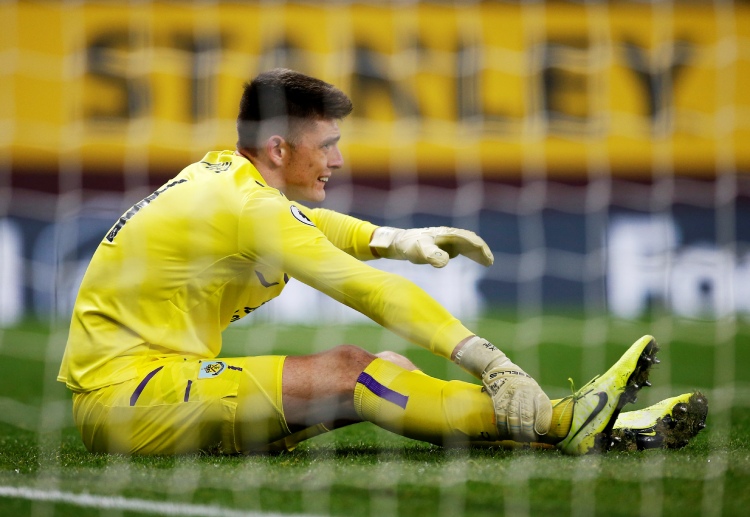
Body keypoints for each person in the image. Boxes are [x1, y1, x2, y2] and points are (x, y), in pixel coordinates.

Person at [57, 68, 706, 456]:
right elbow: (369, 292)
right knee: (352, 370)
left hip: (164, 386)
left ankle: (588, 426)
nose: (337, 160)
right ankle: (565, 418)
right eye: (328, 145)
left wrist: (392, 238)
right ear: (279, 148)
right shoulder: (245, 207)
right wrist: (487, 358)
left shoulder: (225, 177)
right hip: (127, 397)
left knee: (389, 375)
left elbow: (319, 227)